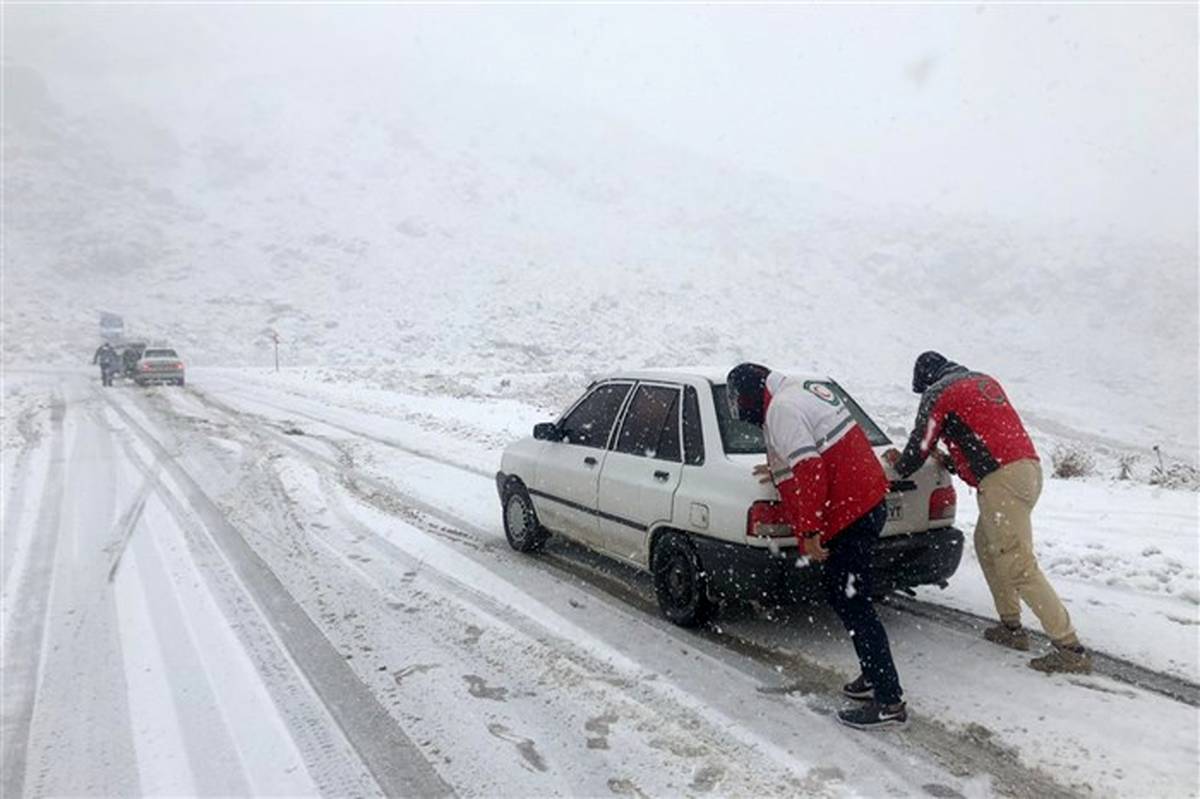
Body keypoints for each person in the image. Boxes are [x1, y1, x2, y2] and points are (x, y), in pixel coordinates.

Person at [885, 351, 1091, 674]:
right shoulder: (981, 381)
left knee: (1017, 562)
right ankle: (1010, 628)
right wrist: (950, 462)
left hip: (1002, 481)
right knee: (986, 544)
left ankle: (1069, 648)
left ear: (926, 379)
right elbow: (983, 439)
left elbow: (922, 442)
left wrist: (898, 467)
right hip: (1027, 470)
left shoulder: (938, 392)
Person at [726, 362, 905, 730]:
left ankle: (889, 703)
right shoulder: (798, 392)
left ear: (750, 395)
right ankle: (873, 676)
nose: (737, 408)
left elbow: (810, 469)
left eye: (737, 400)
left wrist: (809, 531)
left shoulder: (782, 409)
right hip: (863, 502)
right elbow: (808, 454)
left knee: (853, 601)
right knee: (847, 596)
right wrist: (778, 468)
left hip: (851, 512)